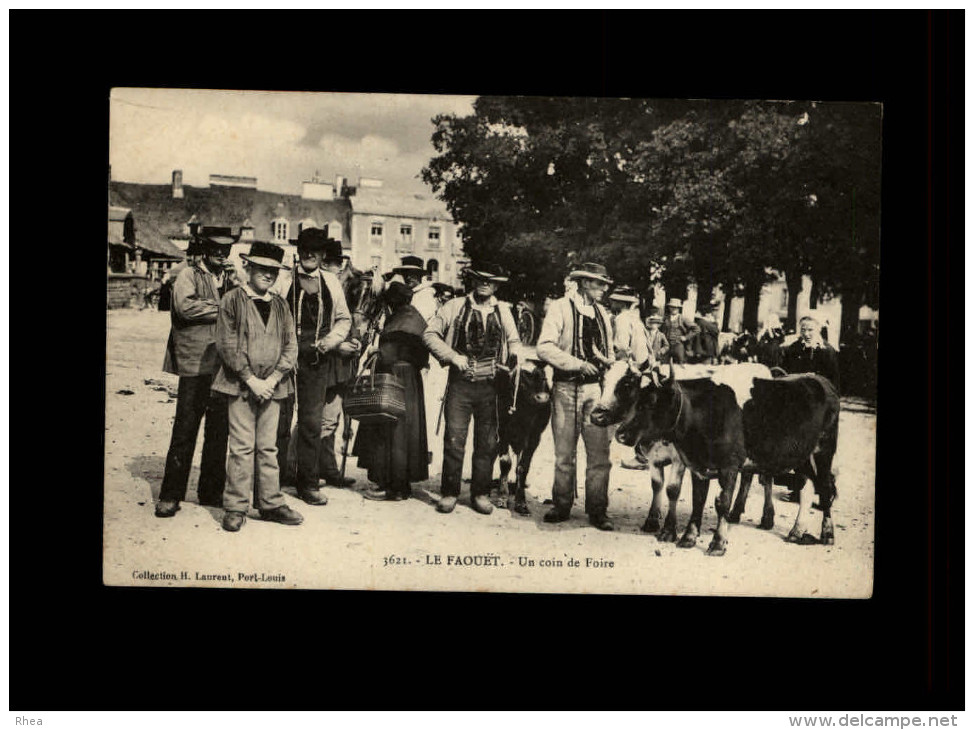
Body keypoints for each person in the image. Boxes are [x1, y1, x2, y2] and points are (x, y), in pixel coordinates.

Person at [211, 241, 303, 532]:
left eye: (273, 271)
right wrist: (251, 379)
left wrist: (273, 379)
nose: (268, 275)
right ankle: (236, 506)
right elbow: (227, 345)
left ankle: (271, 503)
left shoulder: (280, 304)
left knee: (268, 447)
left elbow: (291, 346)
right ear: (248, 268)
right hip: (240, 385)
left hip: (273, 387)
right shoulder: (232, 300)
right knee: (241, 448)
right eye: (262, 269)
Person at [424, 262, 521, 515]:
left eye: (490, 280)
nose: (484, 283)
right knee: (455, 440)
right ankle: (449, 492)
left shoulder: (503, 311)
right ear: (472, 281)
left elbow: (514, 341)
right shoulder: (454, 306)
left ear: (497, 284)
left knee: (487, 443)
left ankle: (480, 493)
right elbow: (430, 334)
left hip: (490, 386)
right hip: (460, 384)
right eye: (479, 278)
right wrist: (453, 356)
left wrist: (514, 358)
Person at [155, 227, 236, 517]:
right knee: (185, 428)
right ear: (204, 248)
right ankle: (170, 495)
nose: (221, 254)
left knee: (218, 431)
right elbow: (185, 308)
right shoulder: (187, 274)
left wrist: (232, 291)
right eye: (215, 248)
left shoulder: (231, 278)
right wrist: (225, 306)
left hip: (223, 366)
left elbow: (244, 308)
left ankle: (211, 492)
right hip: (194, 364)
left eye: (226, 249)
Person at [536, 261, 616, 531]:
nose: (604, 288)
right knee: (564, 454)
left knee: (599, 454)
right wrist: (578, 364)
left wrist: (609, 363)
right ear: (583, 283)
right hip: (566, 389)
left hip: (596, 391)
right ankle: (561, 504)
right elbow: (544, 348)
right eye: (598, 283)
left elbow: (610, 352)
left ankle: (598, 510)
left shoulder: (603, 314)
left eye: (605, 284)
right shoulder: (560, 307)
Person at [277, 228, 352, 507]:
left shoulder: (331, 282)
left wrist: (330, 342)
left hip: (316, 361)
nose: (309, 254)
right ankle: (273, 480)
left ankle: (307, 484)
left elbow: (344, 320)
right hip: (284, 361)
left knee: (311, 423)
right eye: (304, 249)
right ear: (298, 253)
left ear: (322, 255)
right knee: (280, 422)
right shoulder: (283, 281)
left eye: (315, 250)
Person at [354, 282, 431, 501]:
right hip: (411, 382)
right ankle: (401, 485)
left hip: (394, 379)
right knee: (406, 432)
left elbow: (388, 355)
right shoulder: (415, 318)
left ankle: (391, 486)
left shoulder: (397, 323)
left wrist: (374, 350)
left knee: (391, 431)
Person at [316, 238, 361, 488]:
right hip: (324, 364)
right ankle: (304, 468)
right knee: (320, 419)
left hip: (340, 366)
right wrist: (339, 345)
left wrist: (355, 342)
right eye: (330, 263)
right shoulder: (319, 291)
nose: (336, 268)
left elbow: (350, 324)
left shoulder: (340, 290)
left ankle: (328, 469)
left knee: (329, 420)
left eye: (337, 263)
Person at [781, 315, 841, 392]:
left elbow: (834, 381)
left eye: (810, 330)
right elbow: (786, 372)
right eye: (803, 330)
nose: (806, 334)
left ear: (818, 329)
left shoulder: (827, 351)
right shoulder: (794, 347)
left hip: (820, 394)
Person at [608, 285, 651, 368]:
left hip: (632, 366)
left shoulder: (621, 319)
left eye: (614, 301)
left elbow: (621, 346)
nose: (611, 304)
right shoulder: (634, 317)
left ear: (622, 304)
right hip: (643, 362)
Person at [394, 255, 438, 322]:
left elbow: (422, 320)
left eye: (412, 273)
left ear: (419, 275)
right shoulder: (404, 294)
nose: (408, 277)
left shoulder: (426, 294)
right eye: (405, 274)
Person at [660, 298, 698, 364]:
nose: (674, 309)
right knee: (664, 364)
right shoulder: (665, 318)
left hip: (678, 345)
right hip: (666, 345)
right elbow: (660, 329)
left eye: (676, 307)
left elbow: (696, 329)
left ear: (679, 308)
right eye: (672, 307)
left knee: (680, 364)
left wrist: (686, 337)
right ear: (669, 308)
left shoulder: (683, 318)